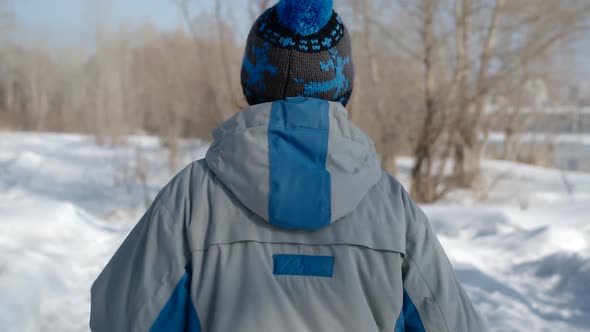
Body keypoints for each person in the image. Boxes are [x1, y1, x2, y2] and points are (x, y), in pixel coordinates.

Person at [90, 0, 485, 331]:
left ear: (252, 81)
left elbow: (122, 316)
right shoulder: (391, 208)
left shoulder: (193, 198)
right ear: (342, 86)